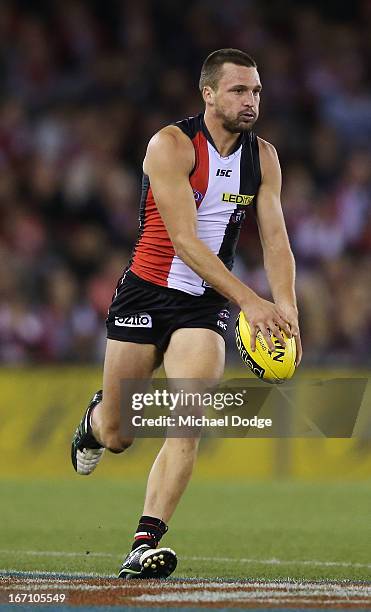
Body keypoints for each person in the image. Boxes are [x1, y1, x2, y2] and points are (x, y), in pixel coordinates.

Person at [71, 48, 302, 579]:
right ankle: (94, 421)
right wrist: (251, 299)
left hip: (204, 307)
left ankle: (143, 542)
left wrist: (286, 309)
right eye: (240, 90)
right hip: (146, 294)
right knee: (119, 434)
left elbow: (276, 240)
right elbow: (184, 243)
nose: (252, 101)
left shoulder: (263, 158)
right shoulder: (170, 145)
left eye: (258, 91)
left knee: (186, 423)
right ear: (208, 94)